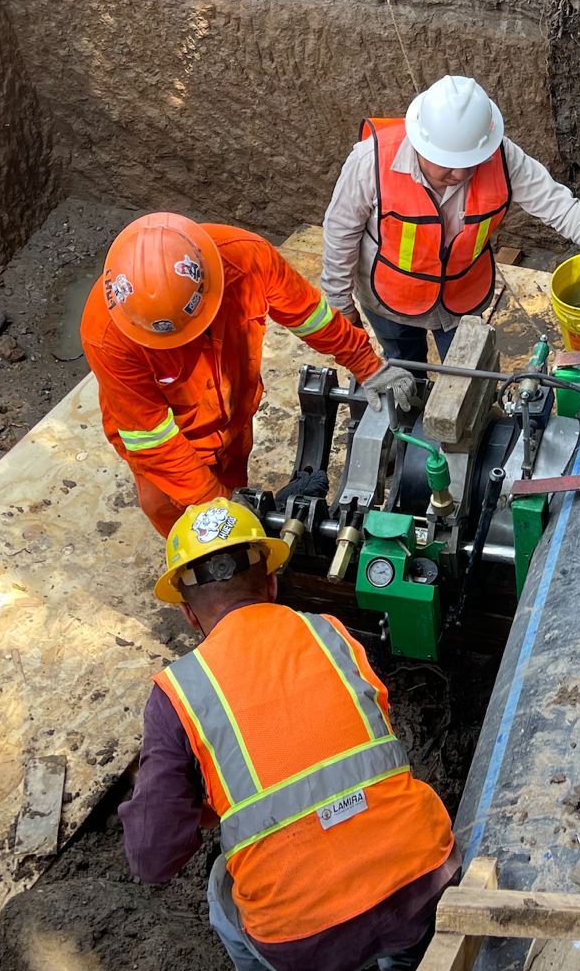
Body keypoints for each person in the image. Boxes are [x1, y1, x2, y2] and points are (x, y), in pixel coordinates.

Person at [121, 498, 458, 970]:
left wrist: (204, 810)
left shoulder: (177, 693)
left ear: (189, 615)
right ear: (273, 583)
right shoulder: (333, 635)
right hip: (423, 881)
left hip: (305, 938)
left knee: (223, 886)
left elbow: (153, 859)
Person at [81, 212, 416, 537]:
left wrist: (366, 363)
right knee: (173, 514)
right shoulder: (107, 334)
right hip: (171, 450)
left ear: (208, 284)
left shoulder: (246, 258)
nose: (187, 342)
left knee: (233, 482)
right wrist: (217, 504)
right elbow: (152, 439)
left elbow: (308, 315)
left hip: (234, 415)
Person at [321, 75, 580, 363]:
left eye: (469, 160)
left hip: (462, 299)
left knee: (469, 381)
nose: (459, 173)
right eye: (446, 162)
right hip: (390, 299)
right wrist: (340, 307)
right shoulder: (372, 161)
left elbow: (561, 208)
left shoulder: (501, 158)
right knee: (402, 368)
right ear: (419, 142)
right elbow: (341, 232)